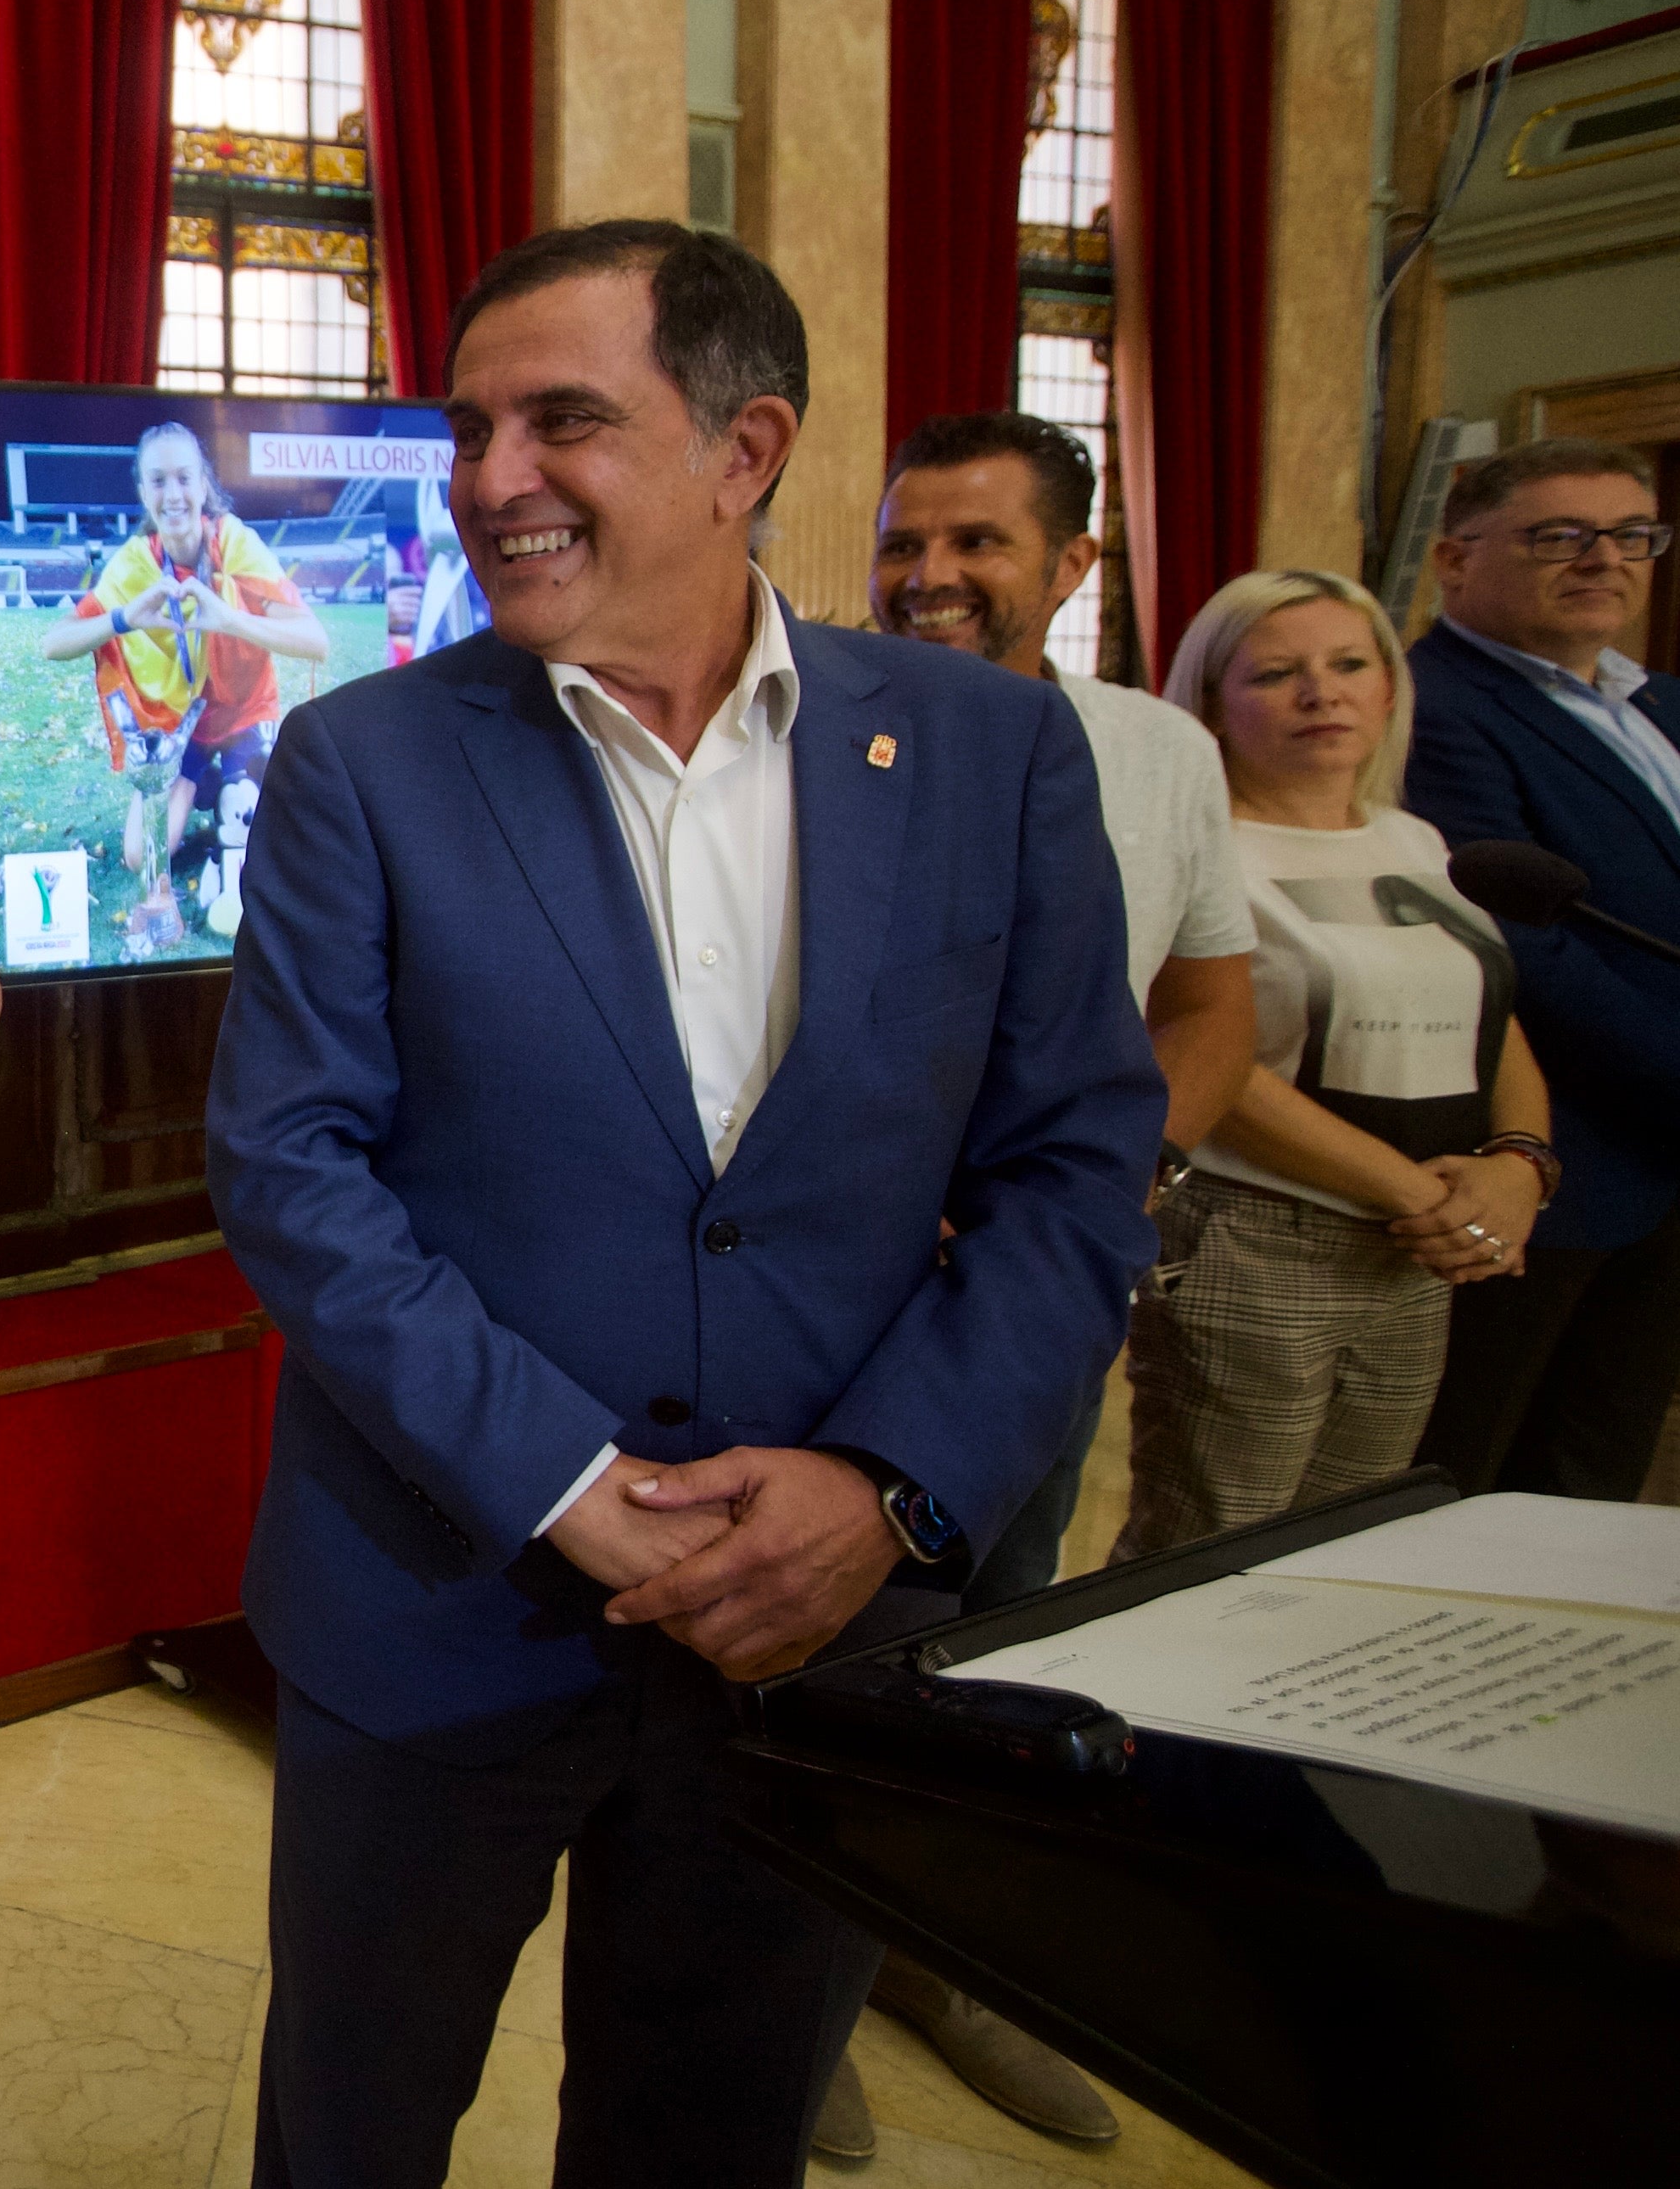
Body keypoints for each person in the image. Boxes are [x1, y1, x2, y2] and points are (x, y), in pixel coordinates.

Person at [210, 220, 1163, 2189]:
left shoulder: (988, 752)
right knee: (351, 2128)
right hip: (438, 1603)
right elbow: (294, 1167)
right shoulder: (361, 761)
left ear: (748, 451)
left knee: (707, 2133)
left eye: (562, 418)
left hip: (819, 1628)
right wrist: (568, 1479)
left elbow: (1075, 1163)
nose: (489, 478)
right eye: (468, 426)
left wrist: (889, 1485)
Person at [847, 410, 1258, 2150]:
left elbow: (1202, 1007)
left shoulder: (1159, 755)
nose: (929, 577)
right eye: (901, 545)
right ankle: (799, 1993)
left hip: (1041, 1293)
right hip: (843, 1290)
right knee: (828, 1652)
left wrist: (1086, 1194)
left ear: (1072, 564)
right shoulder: (806, 735)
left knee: (996, 1635)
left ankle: (939, 1963)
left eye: (975, 544)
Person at [1114, 571, 1554, 1564]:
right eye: (1275, 674)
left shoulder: (1414, 840)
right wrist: (1421, 1196)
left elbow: (1492, 1022)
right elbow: (1201, 1054)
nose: (1321, 693)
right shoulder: (1195, 850)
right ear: (1212, 706)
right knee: (1208, 1556)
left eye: (1348, 664)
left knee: (1348, 1549)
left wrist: (1518, 1166)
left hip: (1411, 1256)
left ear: (1389, 688)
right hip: (1258, 1242)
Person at [1403, 439, 1680, 1504]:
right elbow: (1523, 949)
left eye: (1628, 536)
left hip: (1659, 1174)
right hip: (1551, 1160)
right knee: (1481, 1478)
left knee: (1600, 1469)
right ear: (1452, 558)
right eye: (1556, 536)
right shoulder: (1433, 707)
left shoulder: (1655, 705)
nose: (1598, 560)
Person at [41, 423, 322, 951]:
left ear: (204, 485)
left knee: (248, 819)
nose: (174, 495)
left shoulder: (236, 544)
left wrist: (231, 620)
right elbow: (54, 643)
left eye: (185, 478)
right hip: (182, 727)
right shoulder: (135, 564)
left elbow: (315, 641)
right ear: (143, 492)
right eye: (159, 481)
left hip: (245, 715)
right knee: (138, 853)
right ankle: (212, 789)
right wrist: (122, 617)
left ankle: (233, 794)